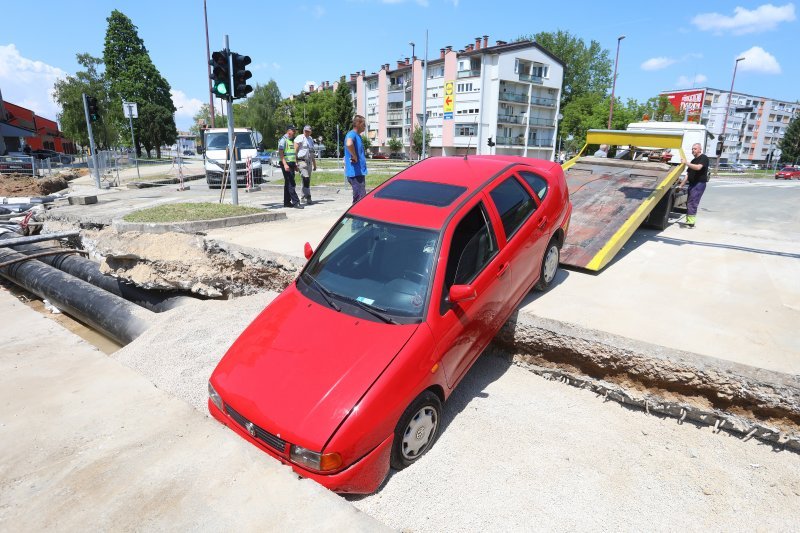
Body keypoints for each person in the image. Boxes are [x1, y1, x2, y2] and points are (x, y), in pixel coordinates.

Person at [679, 143, 710, 228]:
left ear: (700, 149)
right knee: (689, 202)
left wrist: (686, 163)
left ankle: (691, 223)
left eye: (695, 149)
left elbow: (698, 168)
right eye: (692, 149)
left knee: (693, 202)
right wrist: (681, 185)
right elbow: (688, 174)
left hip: (699, 184)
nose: (693, 150)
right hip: (692, 184)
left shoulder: (704, 158)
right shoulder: (693, 160)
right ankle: (689, 221)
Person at [344, 114, 368, 204]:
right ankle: (355, 216)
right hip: (355, 173)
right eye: (364, 124)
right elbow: (349, 143)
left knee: (360, 197)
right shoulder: (352, 134)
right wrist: (354, 156)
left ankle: (355, 215)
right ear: (358, 123)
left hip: (359, 172)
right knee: (359, 199)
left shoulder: (358, 136)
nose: (365, 126)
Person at [278, 125, 302, 209]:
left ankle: (287, 202)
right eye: (293, 130)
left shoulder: (291, 140)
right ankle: (296, 202)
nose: (295, 132)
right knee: (291, 183)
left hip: (291, 164)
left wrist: (295, 164)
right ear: (289, 131)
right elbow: (281, 153)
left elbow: (293, 154)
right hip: (286, 164)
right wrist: (285, 164)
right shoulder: (283, 140)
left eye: (295, 130)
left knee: (288, 183)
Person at [294, 125, 317, 204]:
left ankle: (303, 196)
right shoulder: (300, 138)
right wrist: (295, 162)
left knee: (307, 180)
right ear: (303, 131)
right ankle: (308, 196)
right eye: (306, 131)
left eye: (308, 131)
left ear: (310, 132)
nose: (307, 132)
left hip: (309, 161)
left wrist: (314, 164)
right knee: (305, 178)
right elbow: (295, 150)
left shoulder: (310, 139)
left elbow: (312, 152)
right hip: (301, 161)